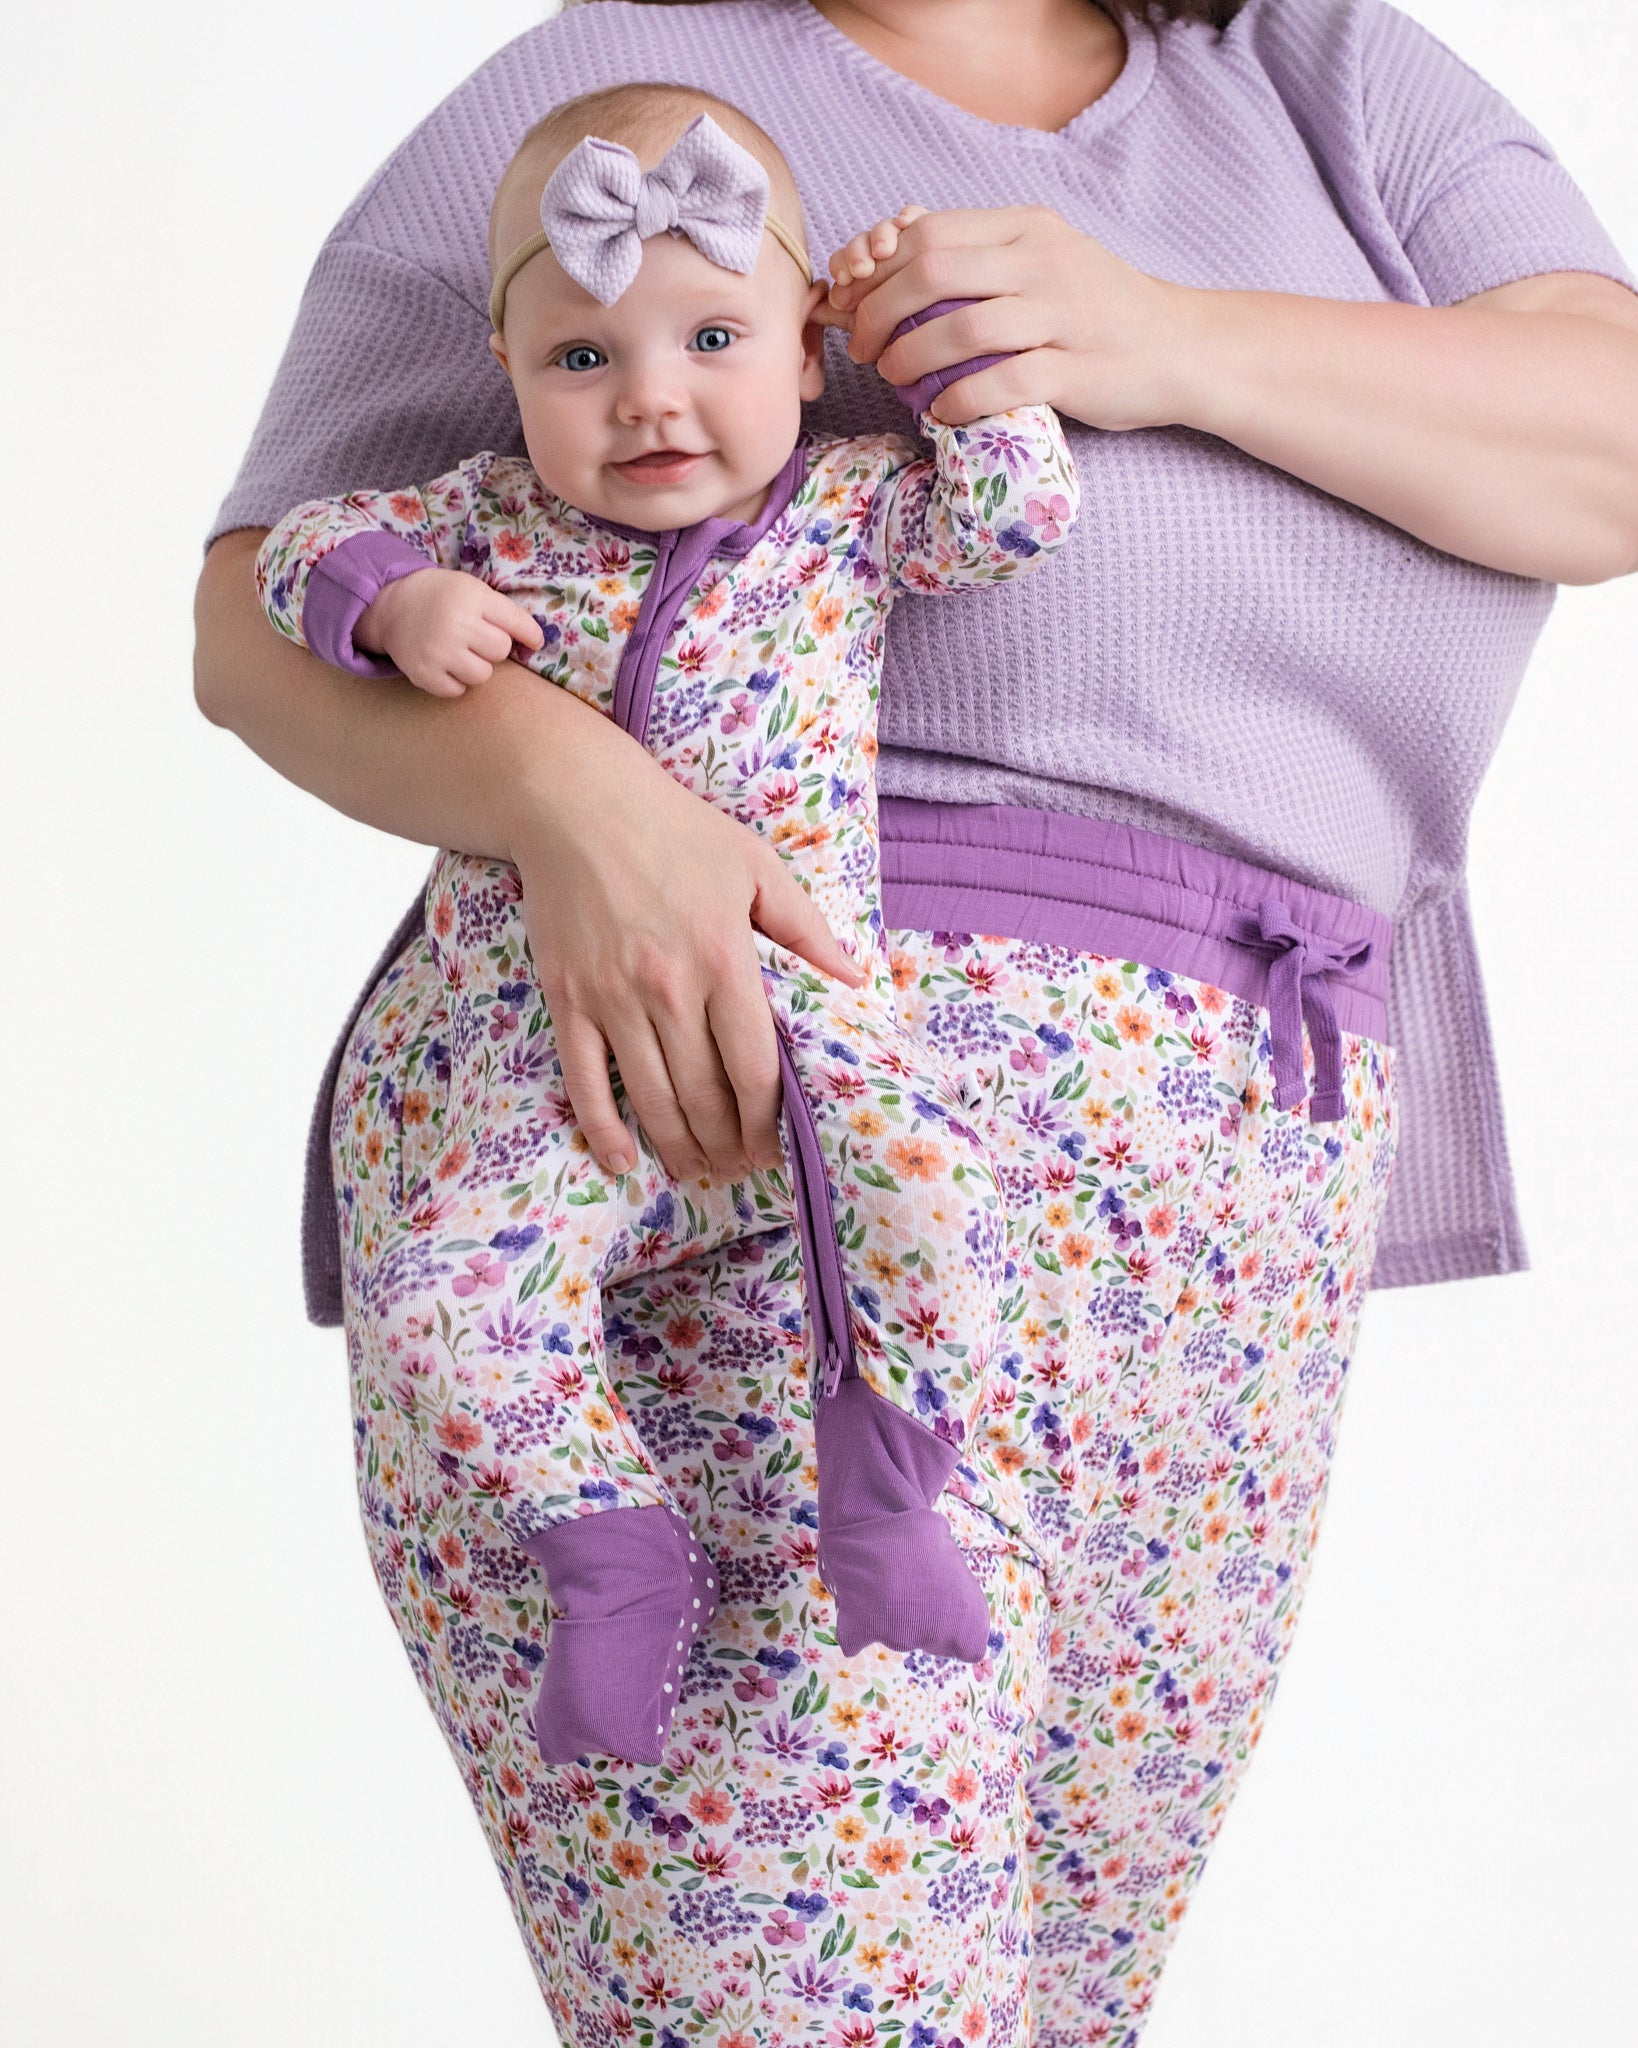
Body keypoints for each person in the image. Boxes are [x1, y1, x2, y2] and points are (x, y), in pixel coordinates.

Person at [192, 2, 1638, 2042]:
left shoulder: (1325, 72)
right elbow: (256, 616)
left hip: (1230, 1209)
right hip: (740, 1127)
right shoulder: (607, 95)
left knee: (1049, 2006)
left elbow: (1612, 453)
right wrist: (583, 806)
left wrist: (1156, 338)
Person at [254, 84, 1081, 1762]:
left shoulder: (849, 504)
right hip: (546, 1065)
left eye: (713, 338)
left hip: (801, 1018)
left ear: (806, 352)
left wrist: (933, 356)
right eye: (581, 358)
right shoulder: (486, 520)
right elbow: (301, 546)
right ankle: (610, 1551)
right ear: (505, 368)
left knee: (944, 1197)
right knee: (436, 1303)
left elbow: (1016, 513)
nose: (648, 397)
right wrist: (396, 602)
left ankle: (885, 1493)